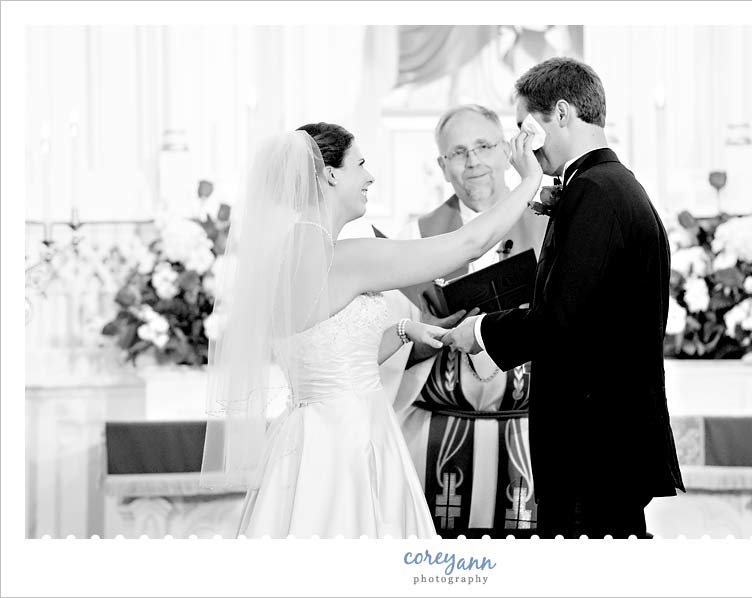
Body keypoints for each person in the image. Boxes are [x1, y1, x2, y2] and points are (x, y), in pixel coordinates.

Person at [200, 122, 542, 539]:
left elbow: (327, 355)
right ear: (330, 174)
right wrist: (530, 180)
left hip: (307, 438)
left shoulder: (282, 257)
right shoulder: (347, 257)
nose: (369, 176)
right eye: (359, 164)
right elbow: (468, 244)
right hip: (350, 441)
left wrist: (402, 330)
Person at [443, 57, 685, 539]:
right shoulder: (610, 185)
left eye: (523, 127)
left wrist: (480, 331)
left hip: (591, 442)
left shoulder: (595, 193)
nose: (521, 144)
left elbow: (560, 320)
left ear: (560, 113)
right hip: (605, 439)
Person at [386, 104, 546, 536]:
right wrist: (425, 338)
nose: (473, 161)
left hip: (534, 435)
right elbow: (385, 341)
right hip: (438, 437)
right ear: (442, 165)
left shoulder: (553, 225)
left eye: (484, 146)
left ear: (506, 152)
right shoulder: (418, 237)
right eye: (458, 152)